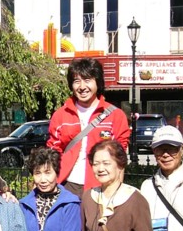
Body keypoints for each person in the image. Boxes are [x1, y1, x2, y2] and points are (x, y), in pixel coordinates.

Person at [47, 57, 130, 197]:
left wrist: (116, 193)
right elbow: (52, 153)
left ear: (97, 82)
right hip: (68, 186)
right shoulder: (60, 115)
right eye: (76, 81)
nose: (82, 86)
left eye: (87, 80)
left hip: (102, 186)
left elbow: (120, 159)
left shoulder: (116, 116)